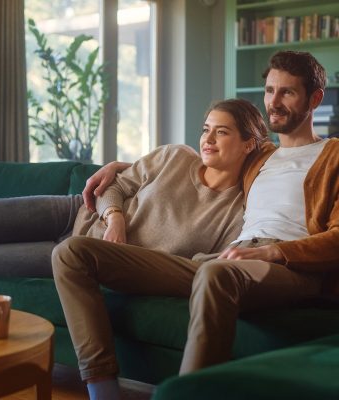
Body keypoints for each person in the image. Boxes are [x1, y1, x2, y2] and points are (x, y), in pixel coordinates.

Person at [52, 50, 339, 399]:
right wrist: (122, 166)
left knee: (215, 273)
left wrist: (273, 252)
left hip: (286, 267)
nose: (273, 102)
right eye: (269, 91)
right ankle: (103, 389)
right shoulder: (261, 154)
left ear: (315, 98)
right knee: (72, 253)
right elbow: (209, 155)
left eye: (287, 92)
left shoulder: (332, 156)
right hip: (224, 260)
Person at [51, 98, 270, 400]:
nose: (207, 139)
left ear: (249, 144)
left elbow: (217, 260)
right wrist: (116, 221)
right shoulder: (175, 156)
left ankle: (103, 391)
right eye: (206, 129)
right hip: (90, 220)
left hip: (98, 255)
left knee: (66, 253)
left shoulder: (241, 208)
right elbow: (114, 187)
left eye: (221, 132)